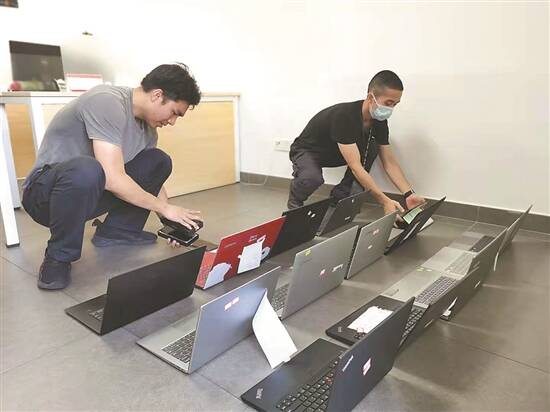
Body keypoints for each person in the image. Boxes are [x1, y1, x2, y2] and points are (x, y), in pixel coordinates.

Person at [22, 63, 203, 290]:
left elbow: (149, 182)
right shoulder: (106, 102)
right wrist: (165, 208)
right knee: (88, 169)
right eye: (174, 112)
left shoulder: (148, 131)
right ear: (158, 95)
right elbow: (112, 177)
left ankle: (118, 231)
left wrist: (169, 221)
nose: (172, 121)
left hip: (88, 192)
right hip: (44, 195)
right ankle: (58, 257)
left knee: (158, 161)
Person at [287, 70, 426, 214]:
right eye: (388, 103)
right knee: (311, 178)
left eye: (395, 104)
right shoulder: (345, 116)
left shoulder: (379, 121)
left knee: (372, 147)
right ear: (370, 97)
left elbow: (389, 162)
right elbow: (356, 167)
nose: (390, 109)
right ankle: (294, 203)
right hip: (307, 151)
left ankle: (340, 198)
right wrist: (384, 200)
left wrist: (409, 194)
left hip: (337, 152)